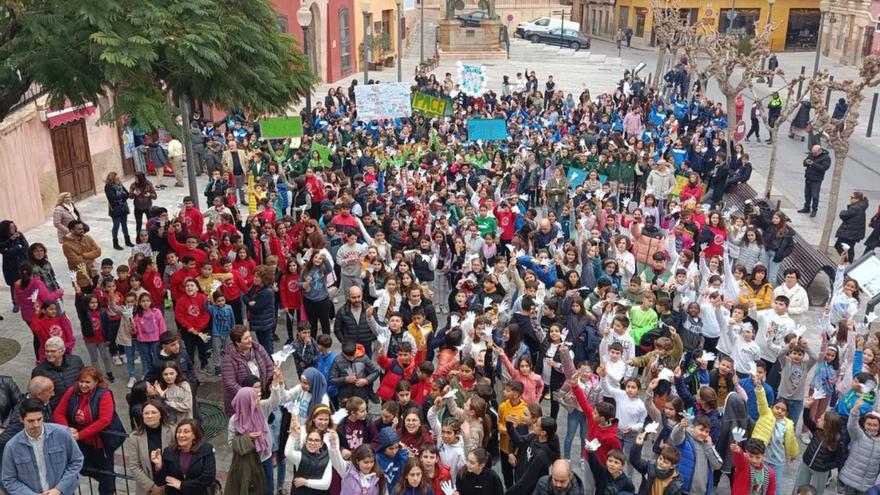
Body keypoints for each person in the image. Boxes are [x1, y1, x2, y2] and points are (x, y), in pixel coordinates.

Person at [52, 367, 121, 495]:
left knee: (106, 476)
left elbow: (104, 420)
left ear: (96, 382)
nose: (83, 385)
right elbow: (58, 412)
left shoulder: (104, 394)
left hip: (99, 442)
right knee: (76, 469)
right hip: (77, 440)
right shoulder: (72, 391)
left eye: (87, 382)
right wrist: (66, 429)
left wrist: (80, 435)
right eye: (81, 381)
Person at [1, 398, 84, 495]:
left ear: (43, 416)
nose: (36, 424)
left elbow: (76, 461)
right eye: (31, 421)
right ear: (21, 419)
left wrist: (58, 489)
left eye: (39, 419)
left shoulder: (62, 434)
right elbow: (9, 480)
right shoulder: (12, 446)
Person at [150, 419, 217, 495]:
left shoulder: (206, 450)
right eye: (179, 432)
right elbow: (160, 481)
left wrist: (182, 485)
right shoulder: (169, 451)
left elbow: (208, 478)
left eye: (186, 432)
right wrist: (159, 466)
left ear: (195, 435)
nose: (181, 435)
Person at [221, 325, 275, 415]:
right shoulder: (229, 359)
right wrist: (249, 395)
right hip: (242, 403)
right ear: (237, 343)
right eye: (246, 338)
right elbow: (230, 384)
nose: (250, 340)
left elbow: (269, 366)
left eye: (250, 336)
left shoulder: (258, 348)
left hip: (261, 395)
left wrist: (268, 384)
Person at [126, 400, 176, 495]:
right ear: (142, 416)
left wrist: (164, 485)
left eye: (153, 412)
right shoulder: (135, 437)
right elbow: (134, 466)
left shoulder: (172, 430)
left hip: (170, 485)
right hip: (147, 489)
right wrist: (152, 486)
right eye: (146, 413)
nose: (150, 416)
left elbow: (178, 459)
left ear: (160, 415)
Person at [31, 337, 85, 411]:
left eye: (53, 351)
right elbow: (36, 396)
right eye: (47, 351)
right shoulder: (39, 371)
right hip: (57, 410)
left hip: (80, 406)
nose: (49, 354)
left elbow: (85, 378)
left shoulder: (76, 361)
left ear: (62, 351)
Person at [61, 220, 102, 291]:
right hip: (81, 278)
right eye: (79, 229)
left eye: (82, 228)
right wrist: (91, 257)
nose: (82, 230)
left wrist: (84, 255)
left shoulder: (87, 238)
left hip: (93, 273)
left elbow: (98, 252)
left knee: (94, 298)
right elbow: (76, 262)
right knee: (83, 300)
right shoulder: (67, 245)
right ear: (71, 230)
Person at [0, 220, 28, 312]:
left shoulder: (19, 235)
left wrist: (13, 249)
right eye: (11, 227)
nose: (14, 229)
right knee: (14, 285)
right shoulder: (3, 239)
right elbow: (4, 251)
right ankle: (16, 303)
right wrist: (13, 243)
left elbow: (25, 247)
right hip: (10, 266)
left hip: (23, 263)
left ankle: (27, 301)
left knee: (27, 282)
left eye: (14, 226)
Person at [797, 144, 831, 218]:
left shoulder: (826, 158)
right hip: (808, 177)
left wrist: (813, 164)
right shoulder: (812, 155)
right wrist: (806, 162)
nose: (813, 154)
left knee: (815, 195)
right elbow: (804, 163)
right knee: (807, 194)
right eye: (813, 153)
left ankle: (814, 210)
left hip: (816, 180)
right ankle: (806, 207)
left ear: (820, 151)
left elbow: (823, 168)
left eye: (815, 153)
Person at [834, 191, 869, 262]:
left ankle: (846, 262)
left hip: (850, 233)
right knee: (850, 248)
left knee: (838, 246)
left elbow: (843, 215)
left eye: (852, 198)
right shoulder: (860, 206)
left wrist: (842, 211)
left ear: (857, 199)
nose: (851, 199)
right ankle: (849, 262)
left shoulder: (855, 208)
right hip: (854, 233)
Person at [105, 171, 133, 250]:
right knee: (116, 226)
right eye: (117, 178)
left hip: (123, 207)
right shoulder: (108, 187)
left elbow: (127, 194)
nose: (119, 179)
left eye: (119, 178)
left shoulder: (120, 184)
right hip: (115, 209)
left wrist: (124, 196)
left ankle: (127, 241)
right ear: (112, 179)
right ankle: (115, 243)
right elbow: (112, 197)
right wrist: (122, 195)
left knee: (124, 225)